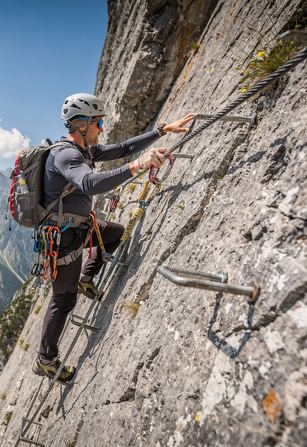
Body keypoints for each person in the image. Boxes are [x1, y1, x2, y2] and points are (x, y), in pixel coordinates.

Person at [33, 92, 194, 382]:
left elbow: (121, 149)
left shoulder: (86, 151)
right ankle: (45, 359)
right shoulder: (66, 154)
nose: (102, 129)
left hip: (80, 228)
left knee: (115, 233)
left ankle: (86, 278)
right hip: (64, 241)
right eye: (98, 123)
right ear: (82, 125)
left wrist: (161, 130)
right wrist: (138, 165)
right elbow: (90, 183)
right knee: (63, 300)